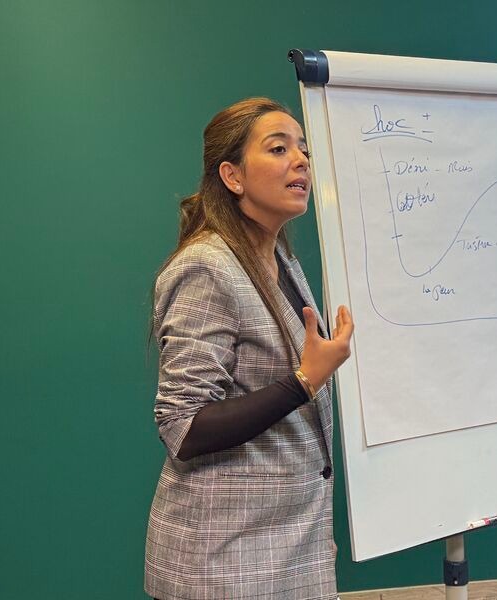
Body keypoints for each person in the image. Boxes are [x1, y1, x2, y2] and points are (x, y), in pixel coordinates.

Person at [144, 97, 354, 600]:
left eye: (303, 149)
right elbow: (182, 426)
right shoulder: (206, 267)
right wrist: (304, 381)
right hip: (225, 563)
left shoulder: (279, 256)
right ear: (232, 176)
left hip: (286, 550)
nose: (300, 160)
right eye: (279, 149)